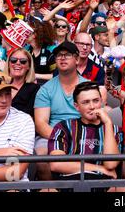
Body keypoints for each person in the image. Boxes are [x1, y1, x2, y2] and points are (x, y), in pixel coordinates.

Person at [48, 81, 122, 190]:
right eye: (86, 102)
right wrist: (99, 168)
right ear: (77, 106)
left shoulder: (114, 130)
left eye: (96, 101)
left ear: (101, 102)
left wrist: (107, 123)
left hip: (102, 185)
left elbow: (111, 164)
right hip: (69, 184)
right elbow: (56, 164)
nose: (92, 106)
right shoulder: (64, 127)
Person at [34, 41, 87, 180]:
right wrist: (63, 139)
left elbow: (92, 117)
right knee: (41, 155)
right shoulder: (45, 89)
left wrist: (76, 139)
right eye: (58, 55)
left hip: (83, 132)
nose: (62, 58)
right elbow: (40, 124)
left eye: (67, 55)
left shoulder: (87, 87)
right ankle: (51, 189)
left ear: (76, 59)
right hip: (52, 134)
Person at [2, 48, 40, 118]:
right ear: (8, 64)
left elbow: (29, 116)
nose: (18, 63)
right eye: (13, 60)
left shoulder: (35, 89)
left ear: (29, 66)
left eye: (23, 61)